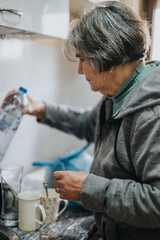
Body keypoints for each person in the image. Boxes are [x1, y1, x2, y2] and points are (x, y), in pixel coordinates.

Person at [22, 1, 160, 239]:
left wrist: (90, 188)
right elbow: (90, 124)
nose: (80, 70)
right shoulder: (118, 94)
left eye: (83, 59)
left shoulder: (151, 115)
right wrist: (43, 110)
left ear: (108, 58)